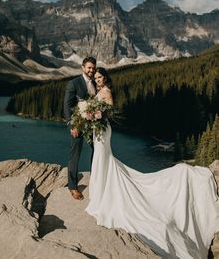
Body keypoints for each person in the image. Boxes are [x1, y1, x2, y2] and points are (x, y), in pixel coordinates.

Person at [85, 68, 219, 259]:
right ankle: (100, 188)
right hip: (96, 129)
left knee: (103, 157)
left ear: (105, 78)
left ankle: (103, 189)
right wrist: (89, 116)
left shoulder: (106, 92)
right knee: (100, 158)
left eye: (100, 77)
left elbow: (111, 112)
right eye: (96, 77)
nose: (97, 80)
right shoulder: (98, 91)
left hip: (103, 128)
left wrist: (98, 116)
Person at [64, 56, 96, 200]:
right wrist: (72, 125)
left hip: (93, 124)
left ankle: (95, 180)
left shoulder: (96, 82)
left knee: (97, 150)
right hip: (77, 124)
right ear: (83, 67)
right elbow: (67, 105)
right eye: (89, 67)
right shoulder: (74, 83)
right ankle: (72, 187)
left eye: (93, 68)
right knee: (75, 155)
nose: (91, 70)